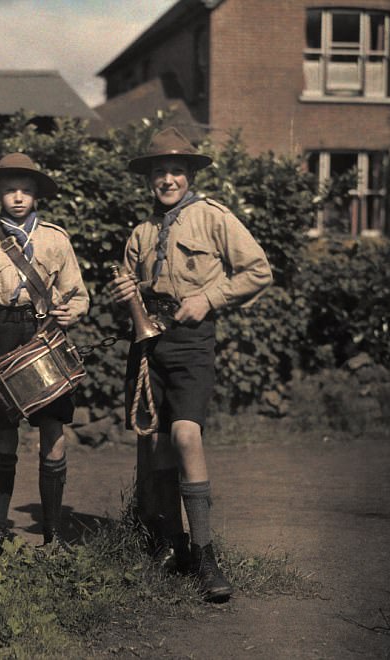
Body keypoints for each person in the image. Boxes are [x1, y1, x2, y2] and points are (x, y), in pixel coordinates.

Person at [110, 127, 272, 602]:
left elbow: (258, 269)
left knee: (186, 434)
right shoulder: (140, 233)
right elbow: (132, 294)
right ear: (149, 179)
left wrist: (208, 297)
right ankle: (171, 545)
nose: (167, 179)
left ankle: (205, 553)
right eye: (159, 171)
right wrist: (126, 296)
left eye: (176, 170)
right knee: (157, 447)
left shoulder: (213, 217)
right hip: (148, 346)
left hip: (192, 342)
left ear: (190, 174)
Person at [0, 153, 89, 555]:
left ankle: (53, 533)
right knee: (4, 431)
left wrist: (73, 310)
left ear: (36, 196)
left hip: (46, 334)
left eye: (26, 190)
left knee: (53, 429)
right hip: (0, 336)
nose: (17, 197)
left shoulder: (55, 239)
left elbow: (79, 293)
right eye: (10, 190)